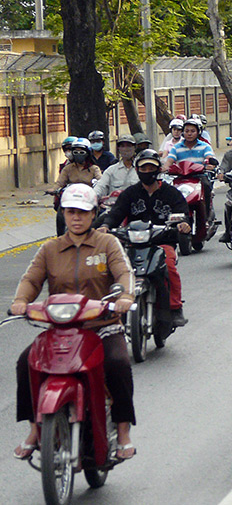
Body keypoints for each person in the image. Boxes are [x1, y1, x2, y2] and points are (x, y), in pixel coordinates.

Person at [10, 183, 138, 462]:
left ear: (94, 214)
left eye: (82, 212)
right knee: (25, 362)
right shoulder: (50, 249)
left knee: (118, 363)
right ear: (63, 215)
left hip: (102, 327)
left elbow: (123, 272)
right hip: (61, 330)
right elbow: (31, 280)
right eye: (70, 212)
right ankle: (34, 428)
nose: (76, 217)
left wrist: (126, 295)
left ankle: (123, 429)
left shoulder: (107, 243)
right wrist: (21, 301)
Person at [98, 151, 191, 328]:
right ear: (137, 170)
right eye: (143, 168)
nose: (147, 171)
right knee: (114, 270)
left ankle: (175, 308)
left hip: (162, 242)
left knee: (169, 267)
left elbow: (183, 215)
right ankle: (110, 306)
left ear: (158, 170)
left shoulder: (171, 193)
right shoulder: (129, 194)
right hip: (133, 244)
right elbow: (116, 213)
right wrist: (106, 226)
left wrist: (183, 224)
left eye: (151, 168)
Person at [93, 134, 139, 200]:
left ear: (134, 148)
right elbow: (100, 188)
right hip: (114, 207)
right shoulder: (111, 171)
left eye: (129, 146)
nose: (125, 149)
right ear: (118, 149)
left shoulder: (141, 169)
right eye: (122, 146)